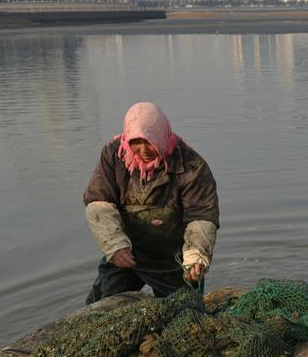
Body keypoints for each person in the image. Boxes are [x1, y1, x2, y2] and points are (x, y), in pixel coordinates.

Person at [82, 102, 219, 303]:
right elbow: (98, 202)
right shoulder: (114, 155)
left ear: (162, 135)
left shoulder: (191, 165)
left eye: (150, 142)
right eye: (136, 142)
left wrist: (196, 256)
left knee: (185, 312)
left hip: (173, 258)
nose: (144, 150)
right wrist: (114, 246)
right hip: (127, 252)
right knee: (99, 307)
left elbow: (202, 216)